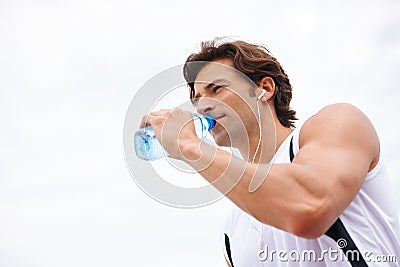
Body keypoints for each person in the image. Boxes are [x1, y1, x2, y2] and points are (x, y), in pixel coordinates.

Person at [140, 38, 400, 266]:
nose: (202, 106)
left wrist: (190, 146)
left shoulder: (337, 122)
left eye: (217, 89)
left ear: (264, 89)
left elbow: (309, 207)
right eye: (197, 99)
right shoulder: (232, 230)